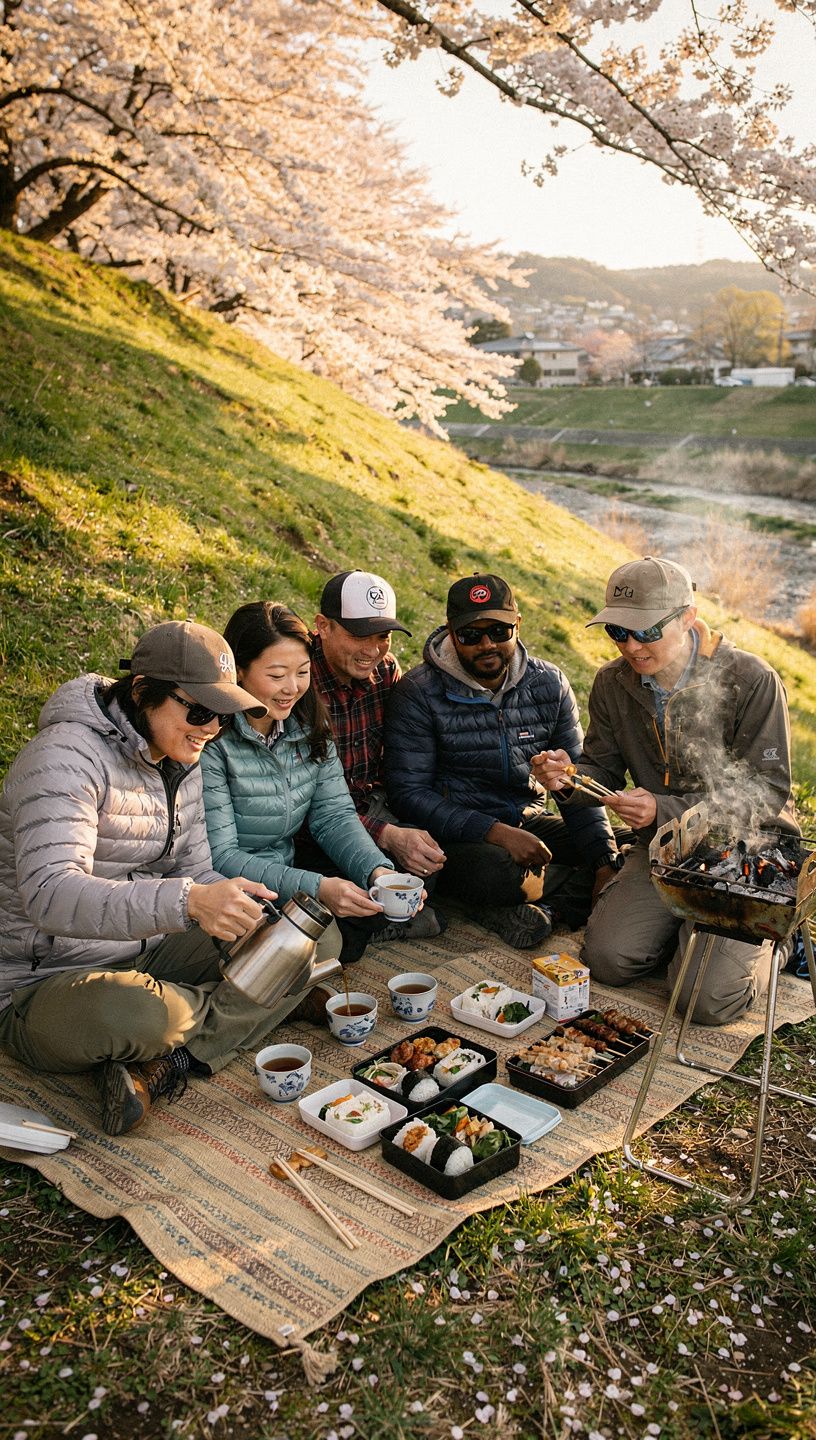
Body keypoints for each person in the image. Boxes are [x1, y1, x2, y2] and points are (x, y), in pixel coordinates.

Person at [0, 620, 309, 1136]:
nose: (212, 728)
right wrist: (189, 903)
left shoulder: (180, 758)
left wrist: (241, 908)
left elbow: (195, 872)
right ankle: (232, 1013)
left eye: (224, 715)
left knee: (300, 943)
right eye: (201, 710)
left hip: (145, 945)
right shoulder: (64, 760)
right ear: (144, 692)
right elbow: (49, 893)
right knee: (148, 1017)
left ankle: (162, 1062)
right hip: (39, 982)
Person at [532, 555, 797, 1025]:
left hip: (748, 849)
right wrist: (569, 779)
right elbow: (604, 770)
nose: (631, 647)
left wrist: (663, 807)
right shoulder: (612, 683)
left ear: (688, 617)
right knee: (609, 962)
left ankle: (775, 944)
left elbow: (766, 792)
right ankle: (689, 933)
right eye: (618, 632)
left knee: (704, 1002)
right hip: (666, 849)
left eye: (647, 631)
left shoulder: (752, 680)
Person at [385, 573, 620, 950]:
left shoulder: (550, 684)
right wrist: (495, 832)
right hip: (461, 838)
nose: (486, 644)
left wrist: (604, 861)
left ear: (518, 625)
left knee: (627, 848)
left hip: (528, 822)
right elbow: (408, 793)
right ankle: (545, 895)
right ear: (450, 632)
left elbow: (575, 786)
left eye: (499, 630)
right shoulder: (418, 693)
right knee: (495, 872)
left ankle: (545, 907)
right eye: (470, 635)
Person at [200, 601, 398, 978]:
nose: (292, 688)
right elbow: (220, 856)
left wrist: (378, 873)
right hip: (228, 889)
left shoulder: (308, 726)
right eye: (276, 675)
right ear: (239, 671)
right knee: (322, 943)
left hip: (285, 874)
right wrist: (318, 888)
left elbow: (334, 814)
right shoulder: (213, 740)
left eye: (303, 672)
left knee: (363, 906)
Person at [302, 569, 447, 937]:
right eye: (357, 635)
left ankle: (389, 915)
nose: (372, 650)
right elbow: (300, 802)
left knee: (434, 855)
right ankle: (379, 923)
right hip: (309, 822)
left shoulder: (385, 671)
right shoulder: (296, 679)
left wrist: (401, 832)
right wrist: (385, 835)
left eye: (382, 636)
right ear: (322, 626)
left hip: (370, 806)